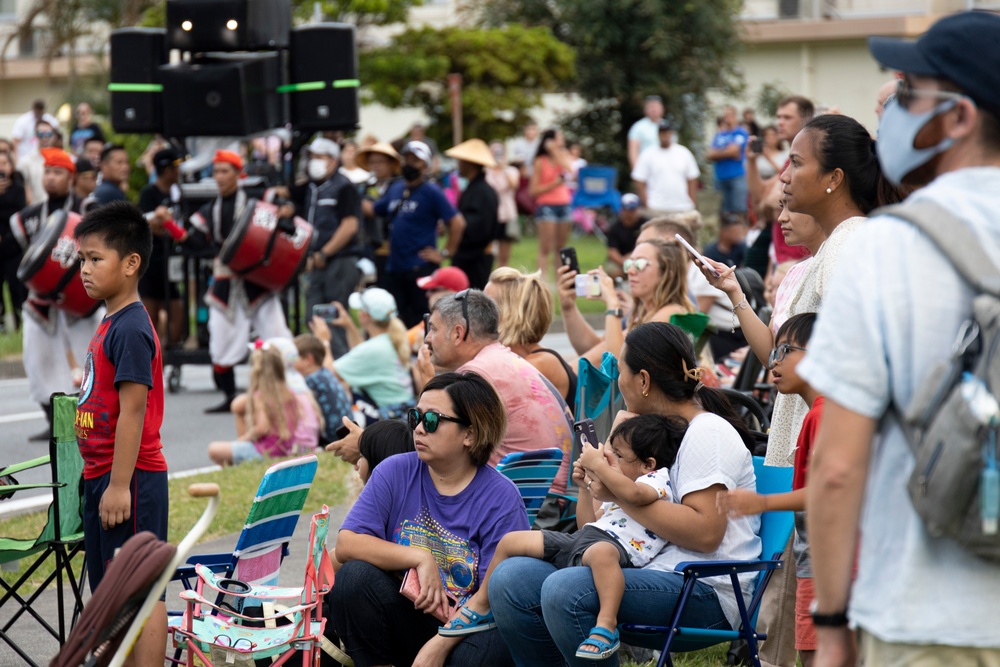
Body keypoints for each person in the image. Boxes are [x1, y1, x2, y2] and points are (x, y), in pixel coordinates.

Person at [800, 13, 1000, 665]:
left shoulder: (887, 247)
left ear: (960, 116)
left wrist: (830, 620)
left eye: (910, 94)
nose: (892, 114)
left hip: (926, 615)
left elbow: (836, 465)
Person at [700, 112, 884, 667]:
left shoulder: (854, 243)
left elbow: (857, 359)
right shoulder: (827, 252)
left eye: (797, 162)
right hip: (802, 456)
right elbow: (785, 356)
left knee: (800, 632)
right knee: (788, 628)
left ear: (834, 179)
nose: (783, 175)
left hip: (828, 462)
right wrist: (735, 295)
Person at [489, 321, 760, 665]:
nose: (617, 381)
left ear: (643, 381)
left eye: (620, 371)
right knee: (511, 580)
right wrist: (595, 483)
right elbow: (597, 528)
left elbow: (705, 534)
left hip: (706, 587)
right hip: (647, 570)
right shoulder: (650, 436)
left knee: (567, 589)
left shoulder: (707, 433)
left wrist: (618, 490)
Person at [440, 413, 686, 661]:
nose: (612, 461)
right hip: (586, 541)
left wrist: (599, 466)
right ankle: (481, 605)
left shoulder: (657, 481)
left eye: (619, 456)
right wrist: (585, 487)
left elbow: (634, 495)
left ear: (648, 464)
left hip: (616, 550)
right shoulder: (618, 493)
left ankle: (606, 624)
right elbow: (588, 524)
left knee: (601, 554)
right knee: (512, 541)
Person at [329, 371, 528, 667]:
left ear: (470, 434)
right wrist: (420, 557)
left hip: (466, 629)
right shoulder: (394, 471)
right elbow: (347, 544)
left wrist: (440, 645)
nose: (419, 429)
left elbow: (493, 600)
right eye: (415, 417)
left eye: (432, 420)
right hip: (406, 617)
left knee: (492, 646)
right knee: (354, 578)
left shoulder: (501, 498)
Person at [73, 200, 169, 666]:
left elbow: (134, 411)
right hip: (104, 478)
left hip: (129, 481)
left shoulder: (130, 328)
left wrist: (116, 485)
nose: (85, 270)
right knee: (112, 593)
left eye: (95, 259)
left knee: (139, 591)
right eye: (81, 260)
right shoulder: (110, 321)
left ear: (131, 263)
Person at [717, 313, 821, 667]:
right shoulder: (817, 415)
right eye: (774, 351)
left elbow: (828, 492)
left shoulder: (825, 416)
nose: (773, 361)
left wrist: (761, 501)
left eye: (786, 350)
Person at [415, 290, 574, 497]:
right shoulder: (504, 359)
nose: (427, 338)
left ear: (458, 333)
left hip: (533, 502)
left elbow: (437, 443)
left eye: (433, 329)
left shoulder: (476, 374)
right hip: (557, 495)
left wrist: (429, 384)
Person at [181, 150, 294, 413]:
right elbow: (196, 242)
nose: (219, 177)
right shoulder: (209, 210)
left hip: (258, 280)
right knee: (220, 341)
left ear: (238, 174)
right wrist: (172, 228)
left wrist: (286, 209)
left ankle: (291, 390)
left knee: (277, 336)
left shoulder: (258, 200)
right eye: (216, 171)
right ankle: (231, 397)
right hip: (225, 282)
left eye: (224, 171)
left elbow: (284, 210)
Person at [12, 148, 101, 441]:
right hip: (41, 303)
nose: (51, 178)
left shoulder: (89, 211)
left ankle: (93, 422)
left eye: (58, 173)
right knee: (38, 362)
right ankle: (55, 423)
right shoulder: (29, 218)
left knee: (93, 361)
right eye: (47, 172)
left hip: (82, 299)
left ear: (71, 178)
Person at [559, 238, 696, 365]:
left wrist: (613, 304)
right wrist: (568, 308)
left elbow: (618, 363)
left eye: (639, 264)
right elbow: (596, 352)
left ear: (667, 273)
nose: (630, 271)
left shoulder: (672, 313)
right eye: (629, 263)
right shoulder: (644, 313)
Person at [375, 140, 465, 327]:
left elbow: (457, 223)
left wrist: (445, 253)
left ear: (425, 165)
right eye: (406, 159)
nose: (409, 164)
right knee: (395, 321)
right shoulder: (396, 188)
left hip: (419, 267)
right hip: (394, 267)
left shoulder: (431, 191)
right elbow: (377, 209)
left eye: (414, 160)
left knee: (422, 321)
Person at [289, 137, 363, 358]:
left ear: (333, 160)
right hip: (316, 264)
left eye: (319, 157)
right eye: (312, 157)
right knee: (314, 317)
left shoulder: (345, 187)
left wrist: (324, 253)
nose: (314, 161)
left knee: (333, 320)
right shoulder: (310, 188)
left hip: (339, 262)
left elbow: (349, 226)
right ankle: (321, 367)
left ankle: (342, 369)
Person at [207, 342, 319, 466]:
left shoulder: (261, 395)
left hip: (267, 451)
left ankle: (235, 467)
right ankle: (238, 465)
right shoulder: (289, 392)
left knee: (214, 449)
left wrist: (243, 439)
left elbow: (262, 427)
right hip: (285, 448)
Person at [485, 267, 577, 413]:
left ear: (512, 314)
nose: (478, 311)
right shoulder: (524, 358)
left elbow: (482, 410)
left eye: (487, 305)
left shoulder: (538, 364)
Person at [312, 286, 414, 410]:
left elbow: (329, 375)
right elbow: (360, 352)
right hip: (401, 412)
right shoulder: (391, 339)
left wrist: (324, 340)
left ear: (365, 316)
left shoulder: (373, 349)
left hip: (388, 418)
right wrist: (348, 325)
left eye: (359, 309)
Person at [137, 147, 184, 348]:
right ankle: (154, 359)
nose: (178, 172)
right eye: (175, 168)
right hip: (151, 261)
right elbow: (148, 224)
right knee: (151, 314)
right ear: (166, 170)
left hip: (170, 260)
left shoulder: (178, 192)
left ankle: (166, 351)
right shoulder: (149, 193)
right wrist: (164, 225)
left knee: (177, 310)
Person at [444, 138, 499, 289]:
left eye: (461, 161)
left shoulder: (483, 191)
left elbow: (480, 228)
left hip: (475, 257)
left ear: (470, 163)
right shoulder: (474, 188)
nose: (458, 165)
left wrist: (455, 224)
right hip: (468, 255)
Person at [530, 128, 576, 280]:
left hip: (564, 204)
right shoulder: (540, 161)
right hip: (546, 206)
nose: (562, 140)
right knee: (545, 247)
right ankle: (542, 279)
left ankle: (560, 280)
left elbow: (571, 171)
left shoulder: (562, 156)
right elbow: (533, 190)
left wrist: (556, 152)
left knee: (561, 247)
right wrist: (554, 184)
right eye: (559, 138)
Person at [631, 119, 700, 217]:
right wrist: (646, 202)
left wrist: (692, 201)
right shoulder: (648, 154)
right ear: (658, 134)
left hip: (682, 207)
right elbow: (639, 178)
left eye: (666, 132)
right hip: (656, 207)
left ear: (671, 133)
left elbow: (693, 178)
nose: (664, 135)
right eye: (661, 132)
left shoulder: (683, 153)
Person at [293, 333, 353, 446]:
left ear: (308, 359)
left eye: (294, 358)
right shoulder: (325, 373)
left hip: (331, 438)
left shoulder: (311, 380)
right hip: (344, 432)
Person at [356, 141, 402, 281]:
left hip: (395, 249)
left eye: (380, 162)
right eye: (372, 162)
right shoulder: (367, 187)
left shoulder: (399, 187)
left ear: (391, 164)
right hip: (372, 248)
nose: (376, 166)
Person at [407, 265, 471, 349]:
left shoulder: (464, 324)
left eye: (433, 290)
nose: (427, 294)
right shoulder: (434, 317)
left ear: (452, 293)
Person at [0, 150, 27, 331]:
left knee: (16, 288)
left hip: (13, 245)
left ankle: (20, 323)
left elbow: (22, 215)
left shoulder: (18, 187)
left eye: (4, 163)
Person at [707, 105, 749, 215]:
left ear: (735, 117)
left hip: (737, 176)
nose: (726, 118)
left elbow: (734, 151)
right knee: (723, 213)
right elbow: (709, 155)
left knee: (738, 210)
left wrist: (719, 153)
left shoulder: (741, 132)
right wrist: (727, 152)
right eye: (725, 116)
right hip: (720, 177)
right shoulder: (719, 135)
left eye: (729, 115)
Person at [485, 141, 521, 268]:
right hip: (490, 215)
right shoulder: (485, 171)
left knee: (504, 253)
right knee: (488, 252)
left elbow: (514, 185)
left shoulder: (511, 171)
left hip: (507, 214)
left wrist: (502, 169)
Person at [19, 118, 63, 205]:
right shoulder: (25, 162)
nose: (44, 137)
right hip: (35, 209)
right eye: (40, 134)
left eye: (48, 134)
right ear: (36, 135)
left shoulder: (62, 159)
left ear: (53, 135)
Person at [604, 193, 648, 277]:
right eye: (628, 209)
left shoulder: (646, 224)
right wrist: (624, 261)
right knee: (613, 271)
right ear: (622, 209)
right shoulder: (614, 227)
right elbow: (612, 251)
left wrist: (633, 257)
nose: (631, 213)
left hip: (642, 257)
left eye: (633, 209)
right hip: (620, 260)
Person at [627, 95, 666, 169]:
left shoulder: (667, 126)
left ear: (662, 109)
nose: (654, 110)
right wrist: (637, 171)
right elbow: (633, 151)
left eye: (656, 107)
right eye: (651, 107)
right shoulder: (638, 127)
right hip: (646, 168)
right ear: (645, 110)